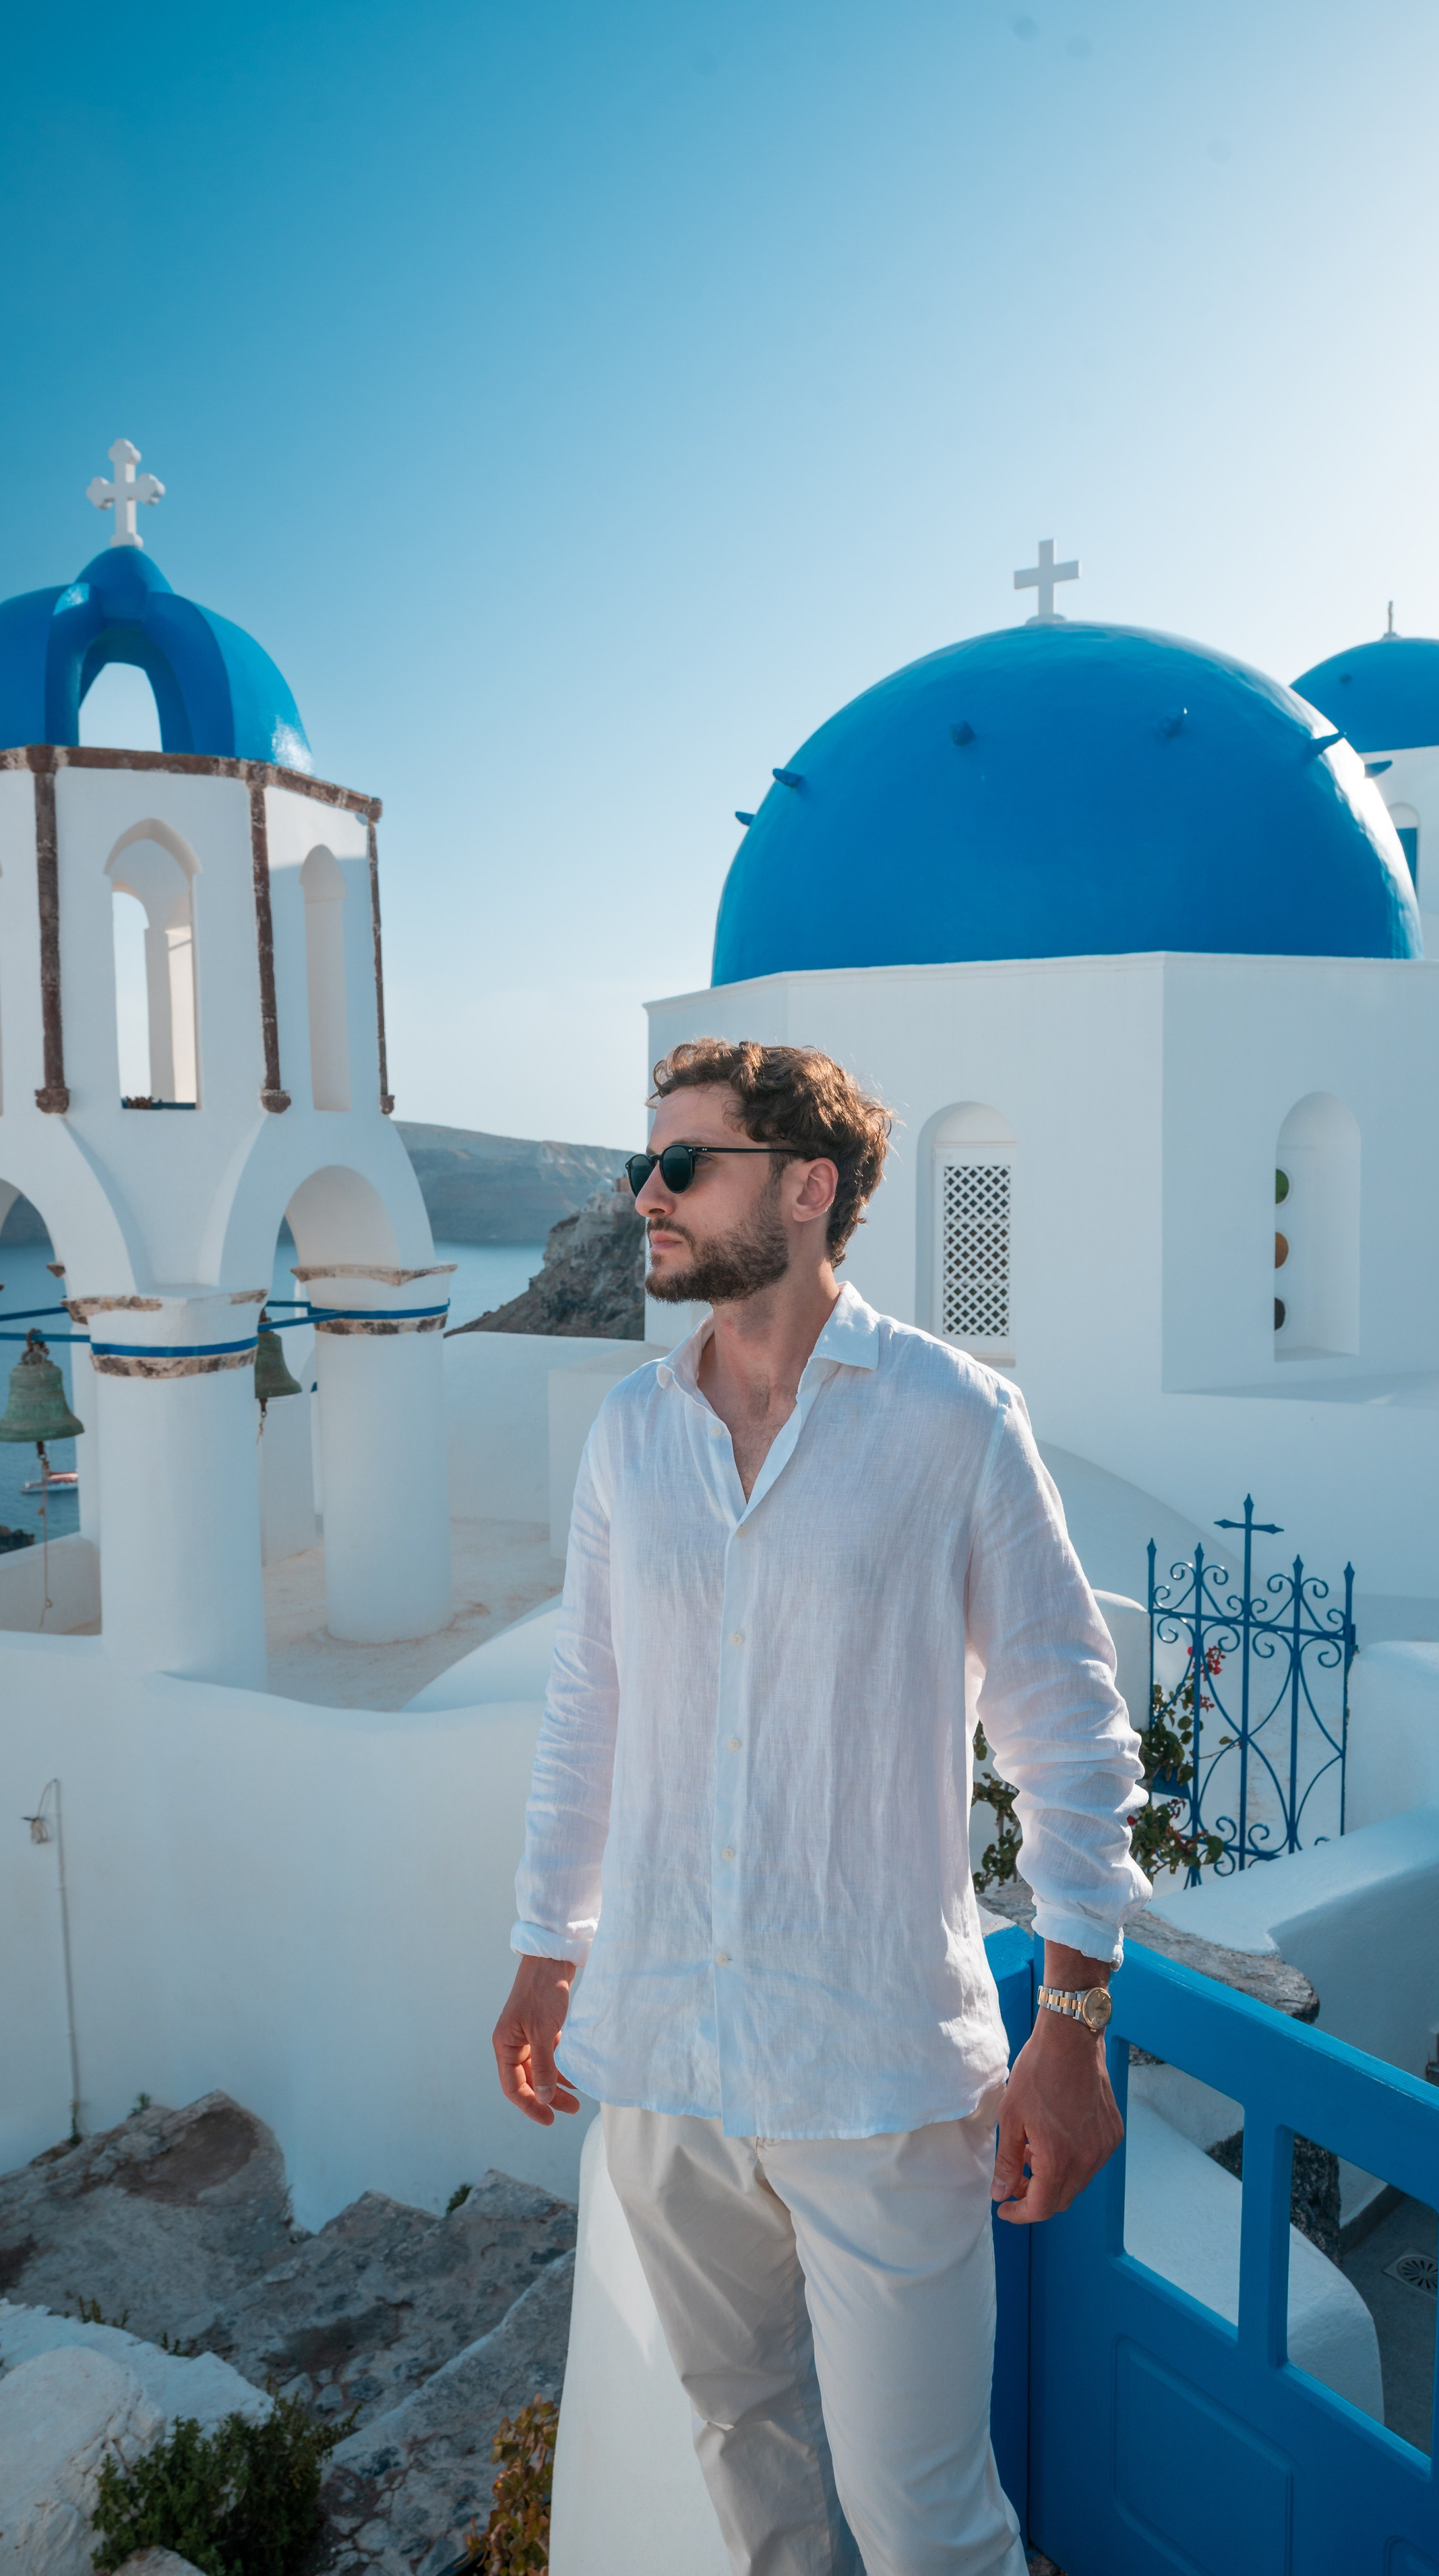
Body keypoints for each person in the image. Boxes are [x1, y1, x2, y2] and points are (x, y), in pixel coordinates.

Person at [493, 1038, 1149, 2576]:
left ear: (804, 1189)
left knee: (929, 2526)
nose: (641, 1195)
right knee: (751, 2482)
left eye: (680, 1165)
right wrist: (544, 1941)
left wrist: (1072, 2022)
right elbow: (586, 1708)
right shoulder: (629, 1435)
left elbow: (1064, 1722)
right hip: (662, 2056)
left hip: (874, 2073)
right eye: (639, 1163)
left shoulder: (950, 1419)